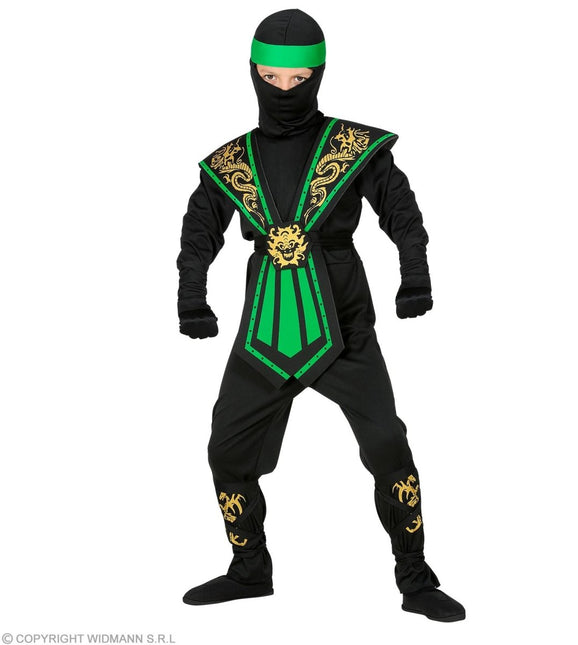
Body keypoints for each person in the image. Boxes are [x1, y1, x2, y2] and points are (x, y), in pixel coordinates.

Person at [176, 8, 465, 622]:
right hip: (263, 329)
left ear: (320, 73)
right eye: (270, 77)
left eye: (298, 78)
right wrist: (191, 293)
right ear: (251, 73)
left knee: (386, 443)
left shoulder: (352, 148)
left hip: (345, 322)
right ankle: (249, 570)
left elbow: (401, 210)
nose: (284, 90)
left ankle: (415, 579)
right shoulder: (232, 161)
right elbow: (200, 228)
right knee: (226, 451)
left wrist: (415, 274)